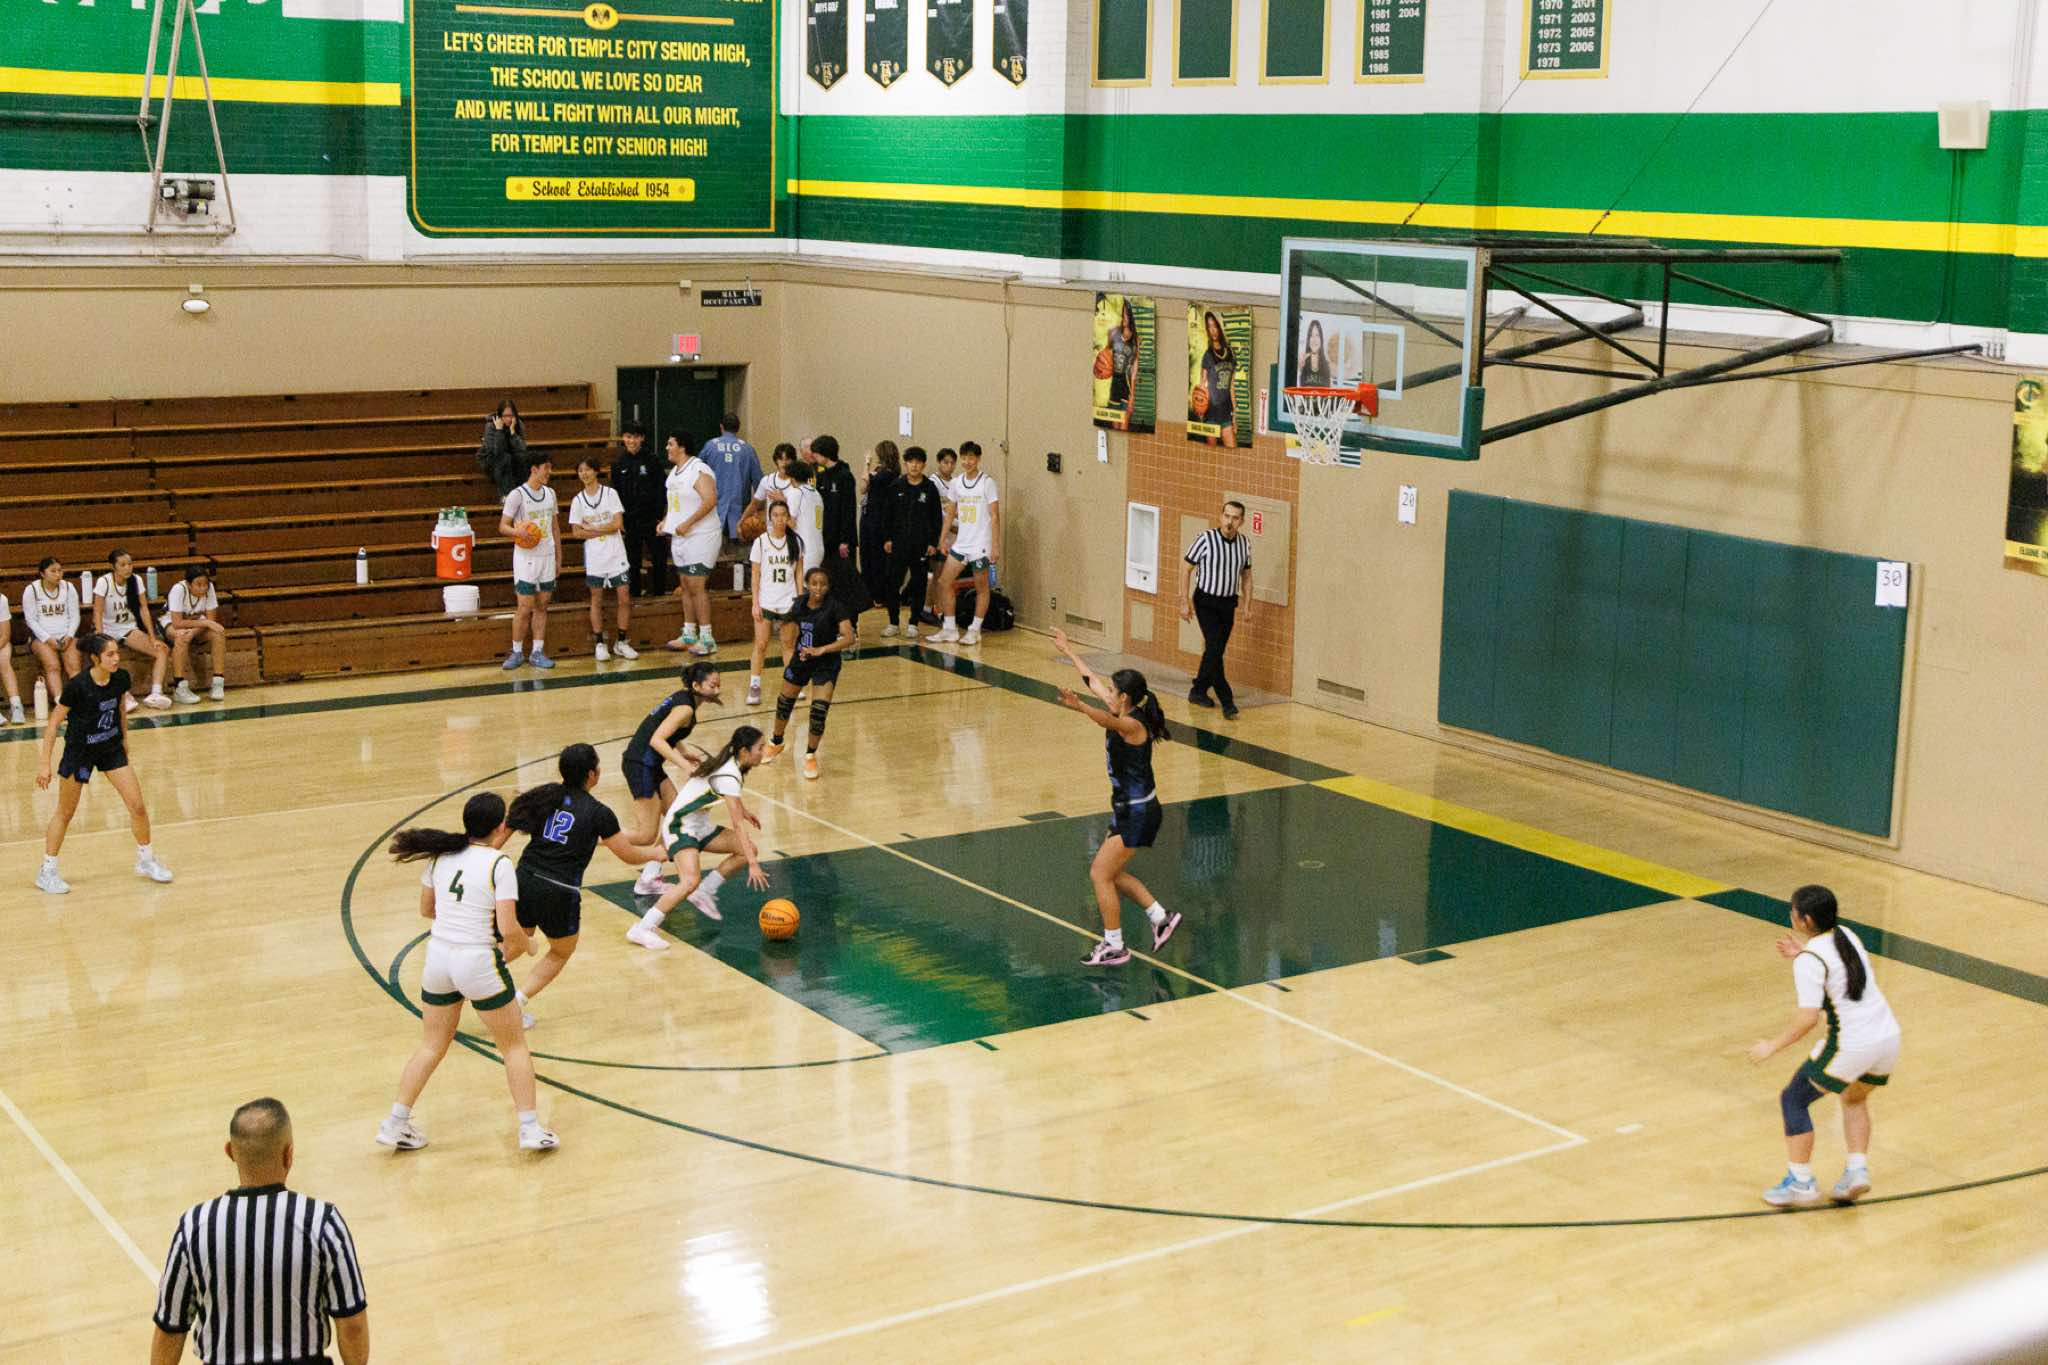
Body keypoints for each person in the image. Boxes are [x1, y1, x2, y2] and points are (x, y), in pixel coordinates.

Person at [377, 791, 558, 1152]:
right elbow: (508, 928)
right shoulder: (499, 863)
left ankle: (395, 1123)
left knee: (431, 1046)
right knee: (513, 1048)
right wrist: (529, 945)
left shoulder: (441, 856)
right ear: (501, 826)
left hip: (438, 959)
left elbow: (426, 910)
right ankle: (529, 1129)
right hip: (476, 961)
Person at [151, 1098, 369, 1365]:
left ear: (230, 1152)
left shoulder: (195, 1225)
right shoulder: (322, 1221)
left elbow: (170, 1328)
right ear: (289, 1154)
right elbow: (352, 1324)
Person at [1747, 884, 1902, 1208]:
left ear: (1804, 919)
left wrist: (1771, 1046)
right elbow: (1833, 968)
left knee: (1794, 1099)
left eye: (1793, 911)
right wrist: (1803, 953)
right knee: (1854, 1097)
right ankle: (1856, 1171)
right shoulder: (1847, 935)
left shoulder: (1810, 960)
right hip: (1887, 1037)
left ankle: (1801, 1182)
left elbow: (1807, 1019)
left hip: (1852, 1043)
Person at [503, 744, 668, 1029]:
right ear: (592, 774)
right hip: (559, 890)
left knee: (519, 939)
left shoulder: (546, 795)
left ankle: (473, 977)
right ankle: (515, 1004)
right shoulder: (599, 812)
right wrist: (655, 853)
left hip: (525, 877)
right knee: (560, 951)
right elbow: (628, 854)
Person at [1051, 629, 1178, 966]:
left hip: (1138, 812)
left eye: (1112, 691)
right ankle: (1161, 917)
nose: (1107, 693)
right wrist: (1068, 648)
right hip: (1129, 809)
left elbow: (1105, 721)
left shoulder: (1133, 726)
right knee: (1112, 874)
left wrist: (1079, 706)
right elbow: (1091, 680)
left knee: (1100, 874)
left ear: (1125, 698)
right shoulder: (1124, 710)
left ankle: (1115, 945)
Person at [34, 632, 174, 893]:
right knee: (65, 812)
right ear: (95, 658)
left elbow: (120, 708)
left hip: (110, 748)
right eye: (110, 654)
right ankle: (47, 870)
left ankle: (146, 859)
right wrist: (44, 764)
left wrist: (125, 739)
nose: (116, 658)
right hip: (80, 752)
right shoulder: (77, 686)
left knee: (138, 806)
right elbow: (53, 724)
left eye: (117, 653)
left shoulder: (120, 678)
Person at [627, 727, 771, 949]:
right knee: (689, 882)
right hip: (680, 826)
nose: (764, 752)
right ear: (744, 751)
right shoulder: (730, 774)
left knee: (747, 849)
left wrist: (743, 810)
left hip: (698, 826)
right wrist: (753, 865)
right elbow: (737, 825)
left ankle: (706, 891)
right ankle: (643, 928)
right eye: (760, 748)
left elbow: (724, 793)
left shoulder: (734, 766)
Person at [619, 661, 723, 896]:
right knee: (646, 835)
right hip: (641, 765)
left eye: (718, 685)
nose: (717, 691)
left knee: (679, 819)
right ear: (696, 685)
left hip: (649, 764)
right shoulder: (686, 709)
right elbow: (657, 739)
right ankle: (585, 836)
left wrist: (683, 752)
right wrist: (685, 765)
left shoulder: (684, 699)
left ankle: (649, 878)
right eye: (712, 686)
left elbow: (666, 731)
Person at [764, 565, 854, 781]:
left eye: (823, 584)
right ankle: (776, 742)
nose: (818, 588)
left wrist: (822, 649)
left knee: (818, 711)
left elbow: (849, 638)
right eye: (814, 584)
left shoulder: (835, 606)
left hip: (826, 662)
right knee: (784, 702)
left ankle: (810, 755)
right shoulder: (799, 604)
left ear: (828, 586)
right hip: (802, 659)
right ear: (807, 585)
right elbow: (787, 629)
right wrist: (794, 650)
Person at [1181, 500, 1255, 720]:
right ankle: (1227, 701)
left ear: (1241, 521)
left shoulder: (1244, 544)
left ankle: (1198, 690)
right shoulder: (1205, 539)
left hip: (1228, 603)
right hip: (1206, 601)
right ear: (1221, 516)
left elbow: (1247, 576)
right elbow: (1185, 569)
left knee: (1215, 652)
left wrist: (1248, 605)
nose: (1229, 522)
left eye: (1235, 518)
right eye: (1226, 516)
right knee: (1214, 648)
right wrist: (1184, 601)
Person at [923, 440, 1000, 646]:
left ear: (978, 459)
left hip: (981, 544)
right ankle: (949, 628)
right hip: (961, 543)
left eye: (971, 458)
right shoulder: (956, 483)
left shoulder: (987, 483)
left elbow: (995, 516)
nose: (967, 462)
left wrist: (995, 545)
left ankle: (975, 630)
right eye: (964, 458)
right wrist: (942, 539)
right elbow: (950, 513)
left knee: (981, 586)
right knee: (943, 581)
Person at [569, 456, 638, 661]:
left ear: (596, 471)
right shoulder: (577, 500)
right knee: (596, 599)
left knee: (624, 598)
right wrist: (602, 530)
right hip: (595, 557)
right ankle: (600, 643)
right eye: (580, 470)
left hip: (616, 554)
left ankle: (622, 642)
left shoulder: (610, 494)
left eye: (587, 469)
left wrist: (592, 528)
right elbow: (576, 532)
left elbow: (617, 524)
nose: (584, 474)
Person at [661, 431, 722, 655]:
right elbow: (675, 505)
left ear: (682, 447)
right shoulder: (673, 474)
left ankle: (707, 638)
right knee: (685, 585)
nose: (667, 448)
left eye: (670, 444)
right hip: (681, 537)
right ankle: (689, 634)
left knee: (697, 585)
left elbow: (710, 500)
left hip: (701, 535)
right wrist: (666, 521)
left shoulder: (699, 469)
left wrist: (688, 523)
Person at [499, 452, 559, 670]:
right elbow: (503, 526)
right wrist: (518, 532)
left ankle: (537, 652)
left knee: (542, 605)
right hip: (526, 558)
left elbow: (555, 528)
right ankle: (516, 652)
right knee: (525, 607)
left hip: (547, 556)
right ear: (534, 469)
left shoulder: (550, 493)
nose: (549, 472)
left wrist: (559, 558)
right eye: (546, 468)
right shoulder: (517, 495)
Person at [93, 548, 170, 708]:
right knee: (110, 657)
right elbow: (97, 611)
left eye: (130, 564)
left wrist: (152, 637)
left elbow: (143, 609)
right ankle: (124, 695)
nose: (128, 568)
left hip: (128, 628)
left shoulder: (136, 580)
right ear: (113, 567)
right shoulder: (104, 582)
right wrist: (100, 637)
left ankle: (156, 693)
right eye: (123, 565)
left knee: (161, 650)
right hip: (108, 629)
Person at [880, 445, 943, 637]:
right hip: (898, 544)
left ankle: (914, 623)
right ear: (906, 464)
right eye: (910, 462)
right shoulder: (896, 486)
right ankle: (893, 622)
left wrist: (933, 543)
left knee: (918, 584)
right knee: (892, 582)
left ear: (923, 465)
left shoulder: (929, 488)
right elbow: (887, 515)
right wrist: (887, 538)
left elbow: (936, 519)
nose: (914, 466)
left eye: (918, 462)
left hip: (921, 545)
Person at [746, 499, 801, 706]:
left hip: (788, 600)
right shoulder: (761, 542)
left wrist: (800, 600)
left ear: (788, 518)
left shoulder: (796, 542)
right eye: (776, 515)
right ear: (770, 518)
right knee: (761, 645)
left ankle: (791, 684)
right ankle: (754, 685)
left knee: (788, 645)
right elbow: (755, 575)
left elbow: (799, 573)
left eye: (783, 515)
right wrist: (755, 602)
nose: (779, 519)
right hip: (766, 600)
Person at [612, 421, 670, 601]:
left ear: (642, 438)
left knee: (659, 559)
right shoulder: (618, 463)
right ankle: (635, 597)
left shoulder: (653, 461)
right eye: (628, 437)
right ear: (623, 438)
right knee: (632, 561)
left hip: (652, 519)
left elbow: (662, 490)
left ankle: (659, 595)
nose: (632, 441)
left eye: (636, 437)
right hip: (630, 521)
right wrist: (620, 519)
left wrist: (661, 517)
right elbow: (615, 494)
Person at [22, 556, 83, 708]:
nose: (58, 574)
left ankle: (81, 701)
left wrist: (69, 636)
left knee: (74, 666)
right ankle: (60, 702)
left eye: (60, 570)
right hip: (41, 638)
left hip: (67, 635)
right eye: (53, 571)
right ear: (42, 574)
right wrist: (48, 639)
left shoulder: (68, 587)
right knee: (52, 665)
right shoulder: (32, 590)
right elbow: (31, 620)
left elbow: (75, 616)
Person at [163, 566, 227, 704]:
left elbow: (210, 620)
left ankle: (218, 682)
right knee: (181, 637)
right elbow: (177, 623)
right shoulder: (178, 589)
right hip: (171, 623)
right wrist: (203, 624)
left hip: (197, 625)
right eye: (198, 584)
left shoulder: (210, 589)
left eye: (205, 584)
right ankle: (179, 686)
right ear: (189, 584)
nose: (203, 588)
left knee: (218, 633)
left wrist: (193, 631)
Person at [701, 412, 762, 542]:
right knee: (738, 551)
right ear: (738, 428)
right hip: (740, 513)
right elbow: (759, 483)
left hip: (712, 511)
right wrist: (758, 508)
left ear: (721, 427)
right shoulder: (748, 449)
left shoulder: (710, 446)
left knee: (713, 548)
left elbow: (696, 474)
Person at [859, 441, 900, 626]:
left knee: (876, 558)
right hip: (869, 517)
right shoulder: (880, 471)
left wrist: (866, 463)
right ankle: (870, 592)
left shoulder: (888, 474)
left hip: (878, 520)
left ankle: (878, 595)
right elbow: (863, 488)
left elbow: (865, 481)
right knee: (867, 555)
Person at [921, 446, 959, 626]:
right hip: (939, 536)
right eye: (946, 462)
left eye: (952, 463)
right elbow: (936, 513)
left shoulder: (956, 483)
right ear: (939, 462)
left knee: (946, 576)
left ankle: (940, 609)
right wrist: (949, 527)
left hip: (954, 538)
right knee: (937, 574)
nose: (949, 466)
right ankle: (927, 609)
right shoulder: (933, 483)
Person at [1196, 309, 1238, 442]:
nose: (1213, 330)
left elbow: (1232, 386)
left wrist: (1235, 414)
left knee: (1232, 446)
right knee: (1211, 452)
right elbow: (1202, 385)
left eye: (1215, 326)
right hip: (1211, 412)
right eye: (1209, 327)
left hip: (1226, 411)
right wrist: (1200, 408)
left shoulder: (1230, 353)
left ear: (1219, 327)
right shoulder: (1207, 355)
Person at [784, 454, 826, 578]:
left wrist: (780, 511)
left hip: (804, 548)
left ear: (792, 478)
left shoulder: (795, 493)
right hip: (818, 547)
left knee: (800, 585)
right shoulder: (816, 493)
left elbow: (792, 523)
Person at [478, 397, 528, 497]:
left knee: (521, 459)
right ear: (500, 416)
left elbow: (522, 450)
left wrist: (513, 433)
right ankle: (507, 495)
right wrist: (499, 431)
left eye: (511, 415)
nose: (508, 419)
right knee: (505, 459)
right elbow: (495, 452)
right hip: (491, 460)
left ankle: (523, 494)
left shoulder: (518, 425)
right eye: (505, 416)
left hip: (512, 459)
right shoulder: (490, 426)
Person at [743, 440, 799, 528]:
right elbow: (754, 504)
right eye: (781, 459)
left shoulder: (799, 482)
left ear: (793, 461)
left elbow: (803, 508)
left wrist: (783, 501)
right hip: (771, 530)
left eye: (787, 459)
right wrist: (741, 522)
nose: (784, 463)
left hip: (793, 530)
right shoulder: (767, 480)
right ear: (776, 461)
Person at [1107, 299, 1139, 413]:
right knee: (1113, 419)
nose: (1122, 317)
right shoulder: (1113, 332)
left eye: (1125, 314)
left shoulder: (1135, 339)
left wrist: (1132, 396)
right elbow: (1105, 355)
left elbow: (1134, 370)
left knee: (1124, 421)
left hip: (1126, 385)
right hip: (1113, 383)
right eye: (1121, 314)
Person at [0, 588, 22, 725]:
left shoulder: (1, 599)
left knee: (4, 661)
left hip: (0, 642)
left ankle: (16, 706)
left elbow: (5, 634)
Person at [1298, 319, 1333, 388]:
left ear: (1321, 339)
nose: (1314, 339)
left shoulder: (1327, 364)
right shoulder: (1302, 360)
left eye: (1317, 335)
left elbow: (1331, 389)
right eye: (1311, 335)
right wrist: (1299, 368)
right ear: (1308, 339)